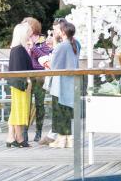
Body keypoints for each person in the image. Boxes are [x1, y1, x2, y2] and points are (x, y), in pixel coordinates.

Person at [44, 20, 80, 148]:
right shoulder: (76, 44)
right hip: (71, 82)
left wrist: (46, 62)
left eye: (59, 30)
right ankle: (67, 139)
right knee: (66, 111)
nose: (56, 32)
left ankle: (62, 139)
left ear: (63, 32)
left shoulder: (61, 46)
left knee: (60, 111)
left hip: (60, 83)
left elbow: (54, 65)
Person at [4, 24, 37, 148]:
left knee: (17, 110)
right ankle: (19, 137)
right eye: (28, 33)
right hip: (20, 85)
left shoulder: (17, 48)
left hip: (17, 84)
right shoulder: (18, 50)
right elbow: (19, 70)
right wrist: (28, 81)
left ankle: (12, 136)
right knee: (19, 110)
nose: (30, 35)